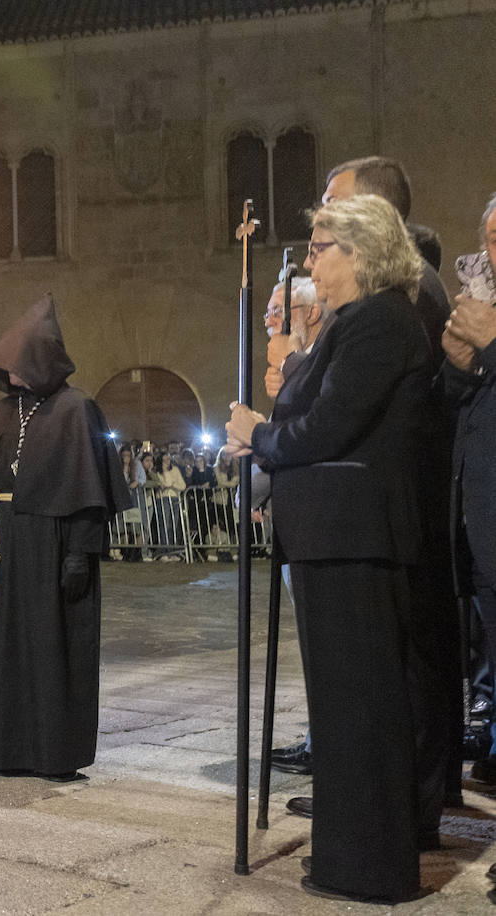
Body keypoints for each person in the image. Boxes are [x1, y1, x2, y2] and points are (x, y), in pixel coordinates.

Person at [225, 194, 430, 904]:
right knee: (341, 711)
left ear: (361, 253)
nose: (310, 262)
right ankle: (348, 856)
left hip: (356, 539)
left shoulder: (379, 322)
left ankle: (368, 864)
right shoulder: (353, 325)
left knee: (361, 710)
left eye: (319, 248)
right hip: (334, 539)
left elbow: (328, 428)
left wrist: (259, 435)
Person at [318, 155, 461, 842]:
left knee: (416, 663)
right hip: (405, 504)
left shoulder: (408, 294)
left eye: (334, 205)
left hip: (409, 506)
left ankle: (412, 804)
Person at [0, 296, 129, 781]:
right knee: (6, 647)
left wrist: (81, 551)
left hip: (56, 546)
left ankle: (55, 752)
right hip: (5, 548)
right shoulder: (0, 412)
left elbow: (89, 490)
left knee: (54, 649)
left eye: (18, 362)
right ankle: (6, 747)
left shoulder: (78, 410)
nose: (10, 372)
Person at [443, 194, 496, 786]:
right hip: (480, 530)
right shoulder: (482, 308)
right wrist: (458, 364)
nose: (490, 254)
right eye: (489, 241)